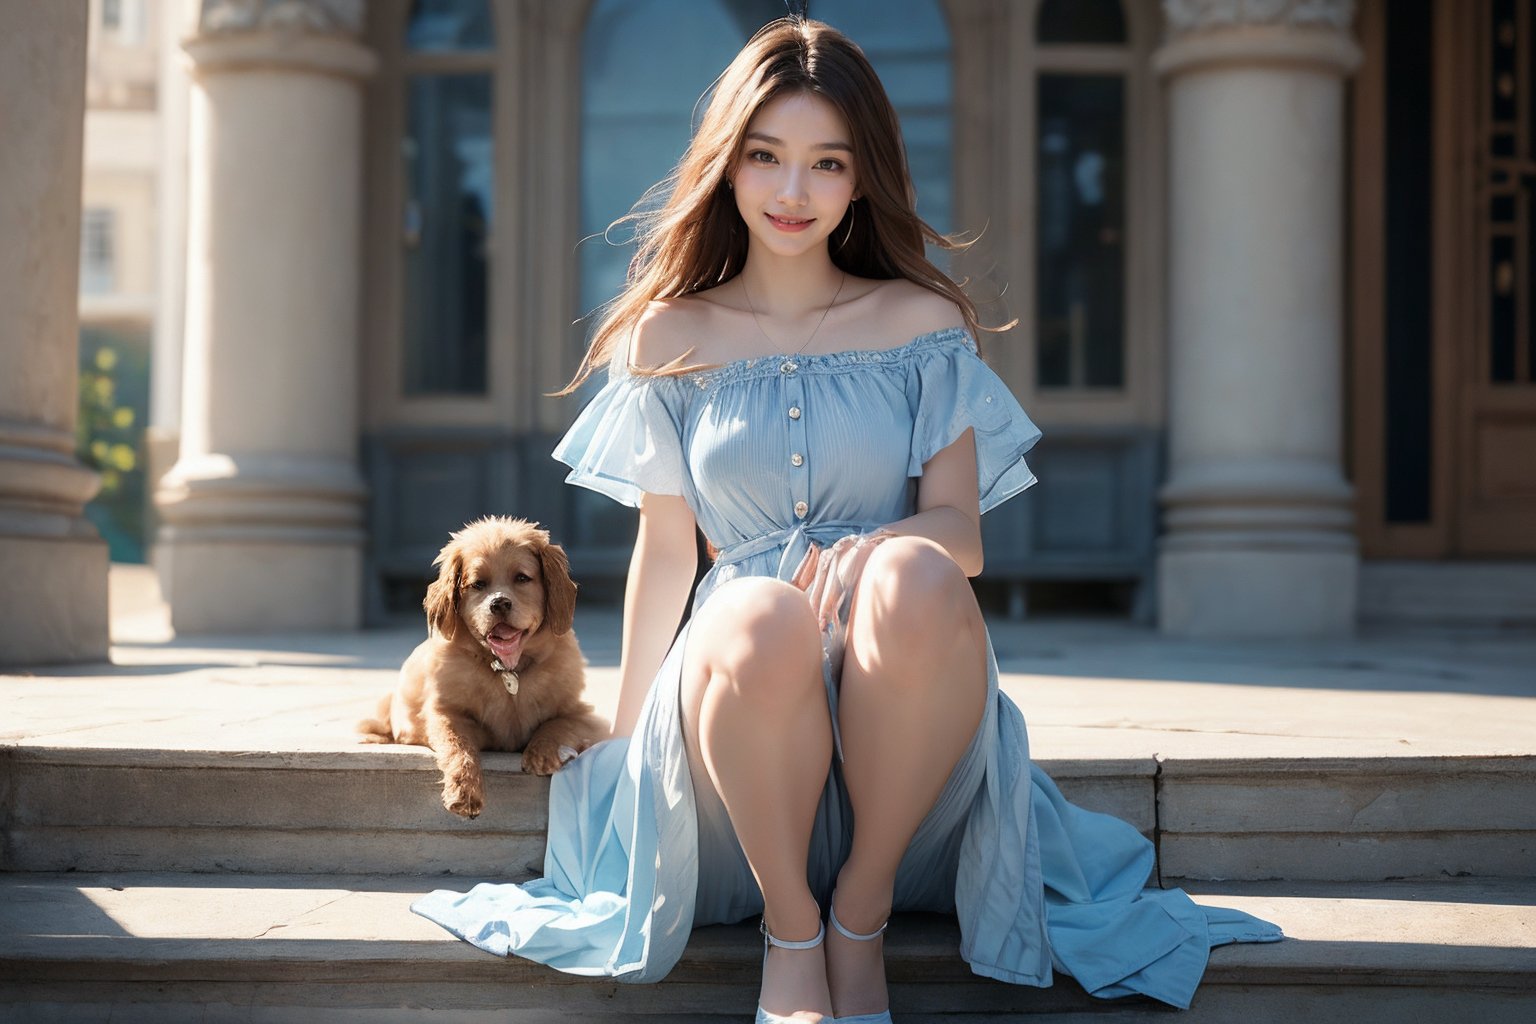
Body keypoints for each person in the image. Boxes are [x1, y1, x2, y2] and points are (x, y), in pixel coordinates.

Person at [412, 16, 1281, 1023]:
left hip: (904, 741)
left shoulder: (922, 322)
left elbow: (963, 532)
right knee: (751, 612)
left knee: (916, 572)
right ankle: (794, 929)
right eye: (767, 157)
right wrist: (624, 735)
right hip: (740, 732)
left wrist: (880, 545)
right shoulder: (670, 334)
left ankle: (857, 916)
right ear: (729, 165)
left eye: (826, 163)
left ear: (862, 177)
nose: (793, 192)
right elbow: (664, 555)